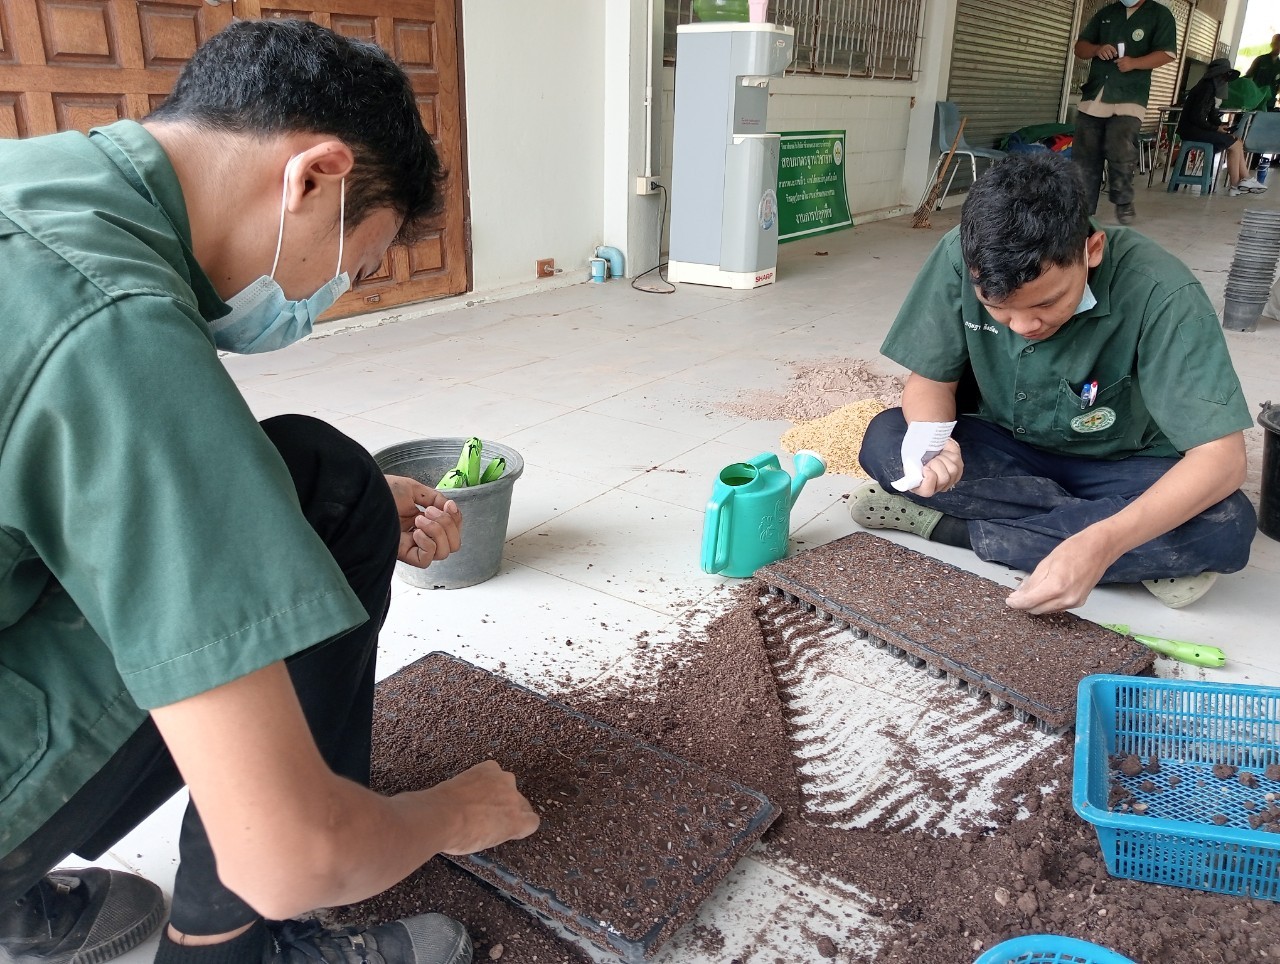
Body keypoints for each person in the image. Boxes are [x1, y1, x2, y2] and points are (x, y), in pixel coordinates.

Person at [0, 19, 540, 964]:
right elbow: (293, 855)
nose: (326, 302)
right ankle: (227, 945)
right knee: (332, 496)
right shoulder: (115, 324)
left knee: (308, 474)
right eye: (351, 269)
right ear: (313, 178)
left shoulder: (40, 185)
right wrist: (452, 813)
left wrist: (286, 498)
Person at [851, 153, 1256, 615]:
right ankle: (1122, 550)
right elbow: (931, 383)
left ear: (1092, 249)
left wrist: (1104, 541)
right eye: (997, 308)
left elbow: (1222, 459)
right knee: (886, 440)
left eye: (1047, 302)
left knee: (1225, 524)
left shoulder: (1161, 290)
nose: (1024, 325)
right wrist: (933, 441)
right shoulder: (960, 255)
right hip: (1006, 448)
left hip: (1124, 465)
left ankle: (952, 528)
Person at [1072, 0, 1177, 225]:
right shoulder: (1108, 12)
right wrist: (1097, 49)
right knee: (1085, 154)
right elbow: (1079, 48)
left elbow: (1167, 53)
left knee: (1120, 145)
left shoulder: (1159, 14)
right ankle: (1082, 210)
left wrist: (1135, 63)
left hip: (1130, 95)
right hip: (1095, 94)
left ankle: (1123, 200)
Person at [1177, 58, 1267, 197]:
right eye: (1224, 76)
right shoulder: (1206, 88)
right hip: (1191, 131)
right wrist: (1216, 129)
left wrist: (1221, 126)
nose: (1225, 80)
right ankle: (1239, 183)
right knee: (1234, 144)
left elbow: (1212, 114)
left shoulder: (1209, 87)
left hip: (1194, 130)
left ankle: (1240, 183)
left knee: (1237, 142)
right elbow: (1197, 118)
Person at [1246, 34, 1280, 112]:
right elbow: (1248, 77)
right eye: (1277, 43)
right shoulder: (1261, 60)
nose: (1278, 47)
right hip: (1255, 99)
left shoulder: (1279, 64)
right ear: (1272, 44)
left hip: (1270, 101)